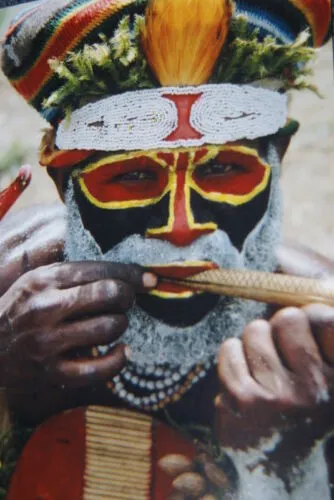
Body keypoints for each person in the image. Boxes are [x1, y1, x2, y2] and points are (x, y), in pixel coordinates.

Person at [0, 0, 333, 498]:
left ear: (277, 162)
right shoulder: (9, 293)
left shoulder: (318, 345)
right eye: (132, 176)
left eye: (223, 169)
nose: (181, 228)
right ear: (64, 184)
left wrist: (287, 470)